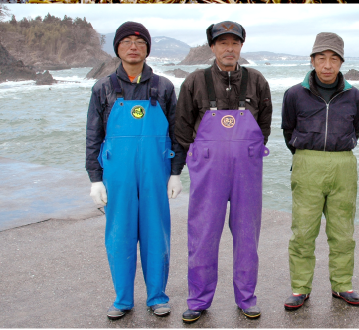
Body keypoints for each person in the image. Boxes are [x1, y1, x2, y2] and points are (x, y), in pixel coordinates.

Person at [174, 21, 273, 322]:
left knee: (247, 237)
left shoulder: (257, 81)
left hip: (247, 172)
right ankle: (198, 300)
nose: (229, 48)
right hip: (208, 173)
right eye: (222, 43)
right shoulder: (195, 81)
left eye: (235, 43)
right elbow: (181, 127)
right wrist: (185, 166)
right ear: (213, 47)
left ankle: (247, 298)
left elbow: (265, 124)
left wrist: (247, 148)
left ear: (241, 46)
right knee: (202, 236)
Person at [85, 21, 185, 320]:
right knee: (119, 236)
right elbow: (93, 136)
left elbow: (178, 134)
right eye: (127, 41)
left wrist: (176, 172)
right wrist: (95, 179)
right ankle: (123, 299)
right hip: (118, 175)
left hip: (155, 174)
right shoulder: (103, 88)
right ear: (117, 47)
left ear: (147, 49)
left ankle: (157, 297)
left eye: (140, 42)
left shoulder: (163, 87)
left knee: (157, 236)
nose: (133, 46)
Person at [280, 32, 359, 311]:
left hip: (343, 164)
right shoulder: (294, 94)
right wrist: (305, 155)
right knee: (303, 232)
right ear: (312, 60)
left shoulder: (354, 95)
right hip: (307, 164)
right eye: (321, 58)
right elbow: (288, 129)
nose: (327, 65)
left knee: (343, 232)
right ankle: (300, 289)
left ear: (341, 62)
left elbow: (357, 129)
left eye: (333, 59)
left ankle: (342, 285)